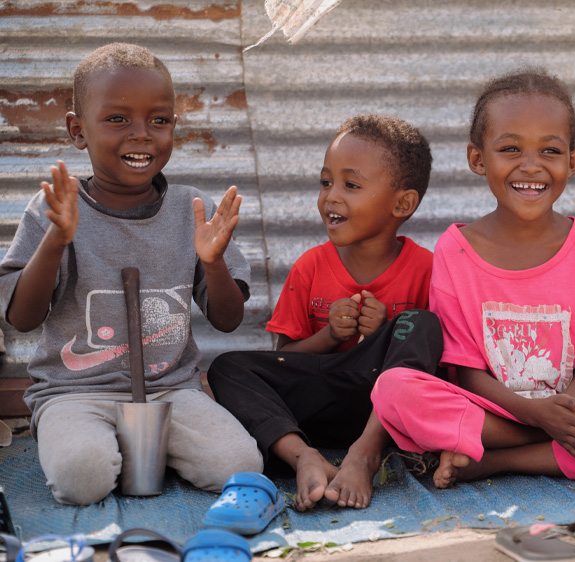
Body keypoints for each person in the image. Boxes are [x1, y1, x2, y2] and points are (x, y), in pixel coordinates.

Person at [370, 69, 575, 489]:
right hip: (493, 410)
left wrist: (564, 412)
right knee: (395, 390)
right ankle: (536, 444)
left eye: (549, 150)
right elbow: (467, 373)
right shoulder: (454, 249)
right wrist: (539, 416)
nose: (531, 166)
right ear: (478, 159)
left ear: (573, 160)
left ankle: (497, 461)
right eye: (510, 148)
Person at [0, 43, 262, 505]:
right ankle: (93, 445)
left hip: (170, 391)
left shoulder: (190, 209)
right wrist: (56, 240)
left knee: (240, 465)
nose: (142, 135)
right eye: (118, 119)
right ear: (77, 131)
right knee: (83, 478)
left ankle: (134, 448)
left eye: (159, 120)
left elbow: (227, 319)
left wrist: (213, 262)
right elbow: (21, 318)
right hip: (74, 392)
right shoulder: (55, 208)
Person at [207, 114, 442, 511]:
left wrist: (388, 331)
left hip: (384, 413)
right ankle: (303, 456)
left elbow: (433, 366)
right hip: (314, 408)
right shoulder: (310, 267)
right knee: (226, 367)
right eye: (325, 182)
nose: (331, 196)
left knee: (421, 323)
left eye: (350, 185)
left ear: (402, 203)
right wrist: (329, 337)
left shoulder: (427, 268)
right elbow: (286, 360)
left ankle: (364, 453)